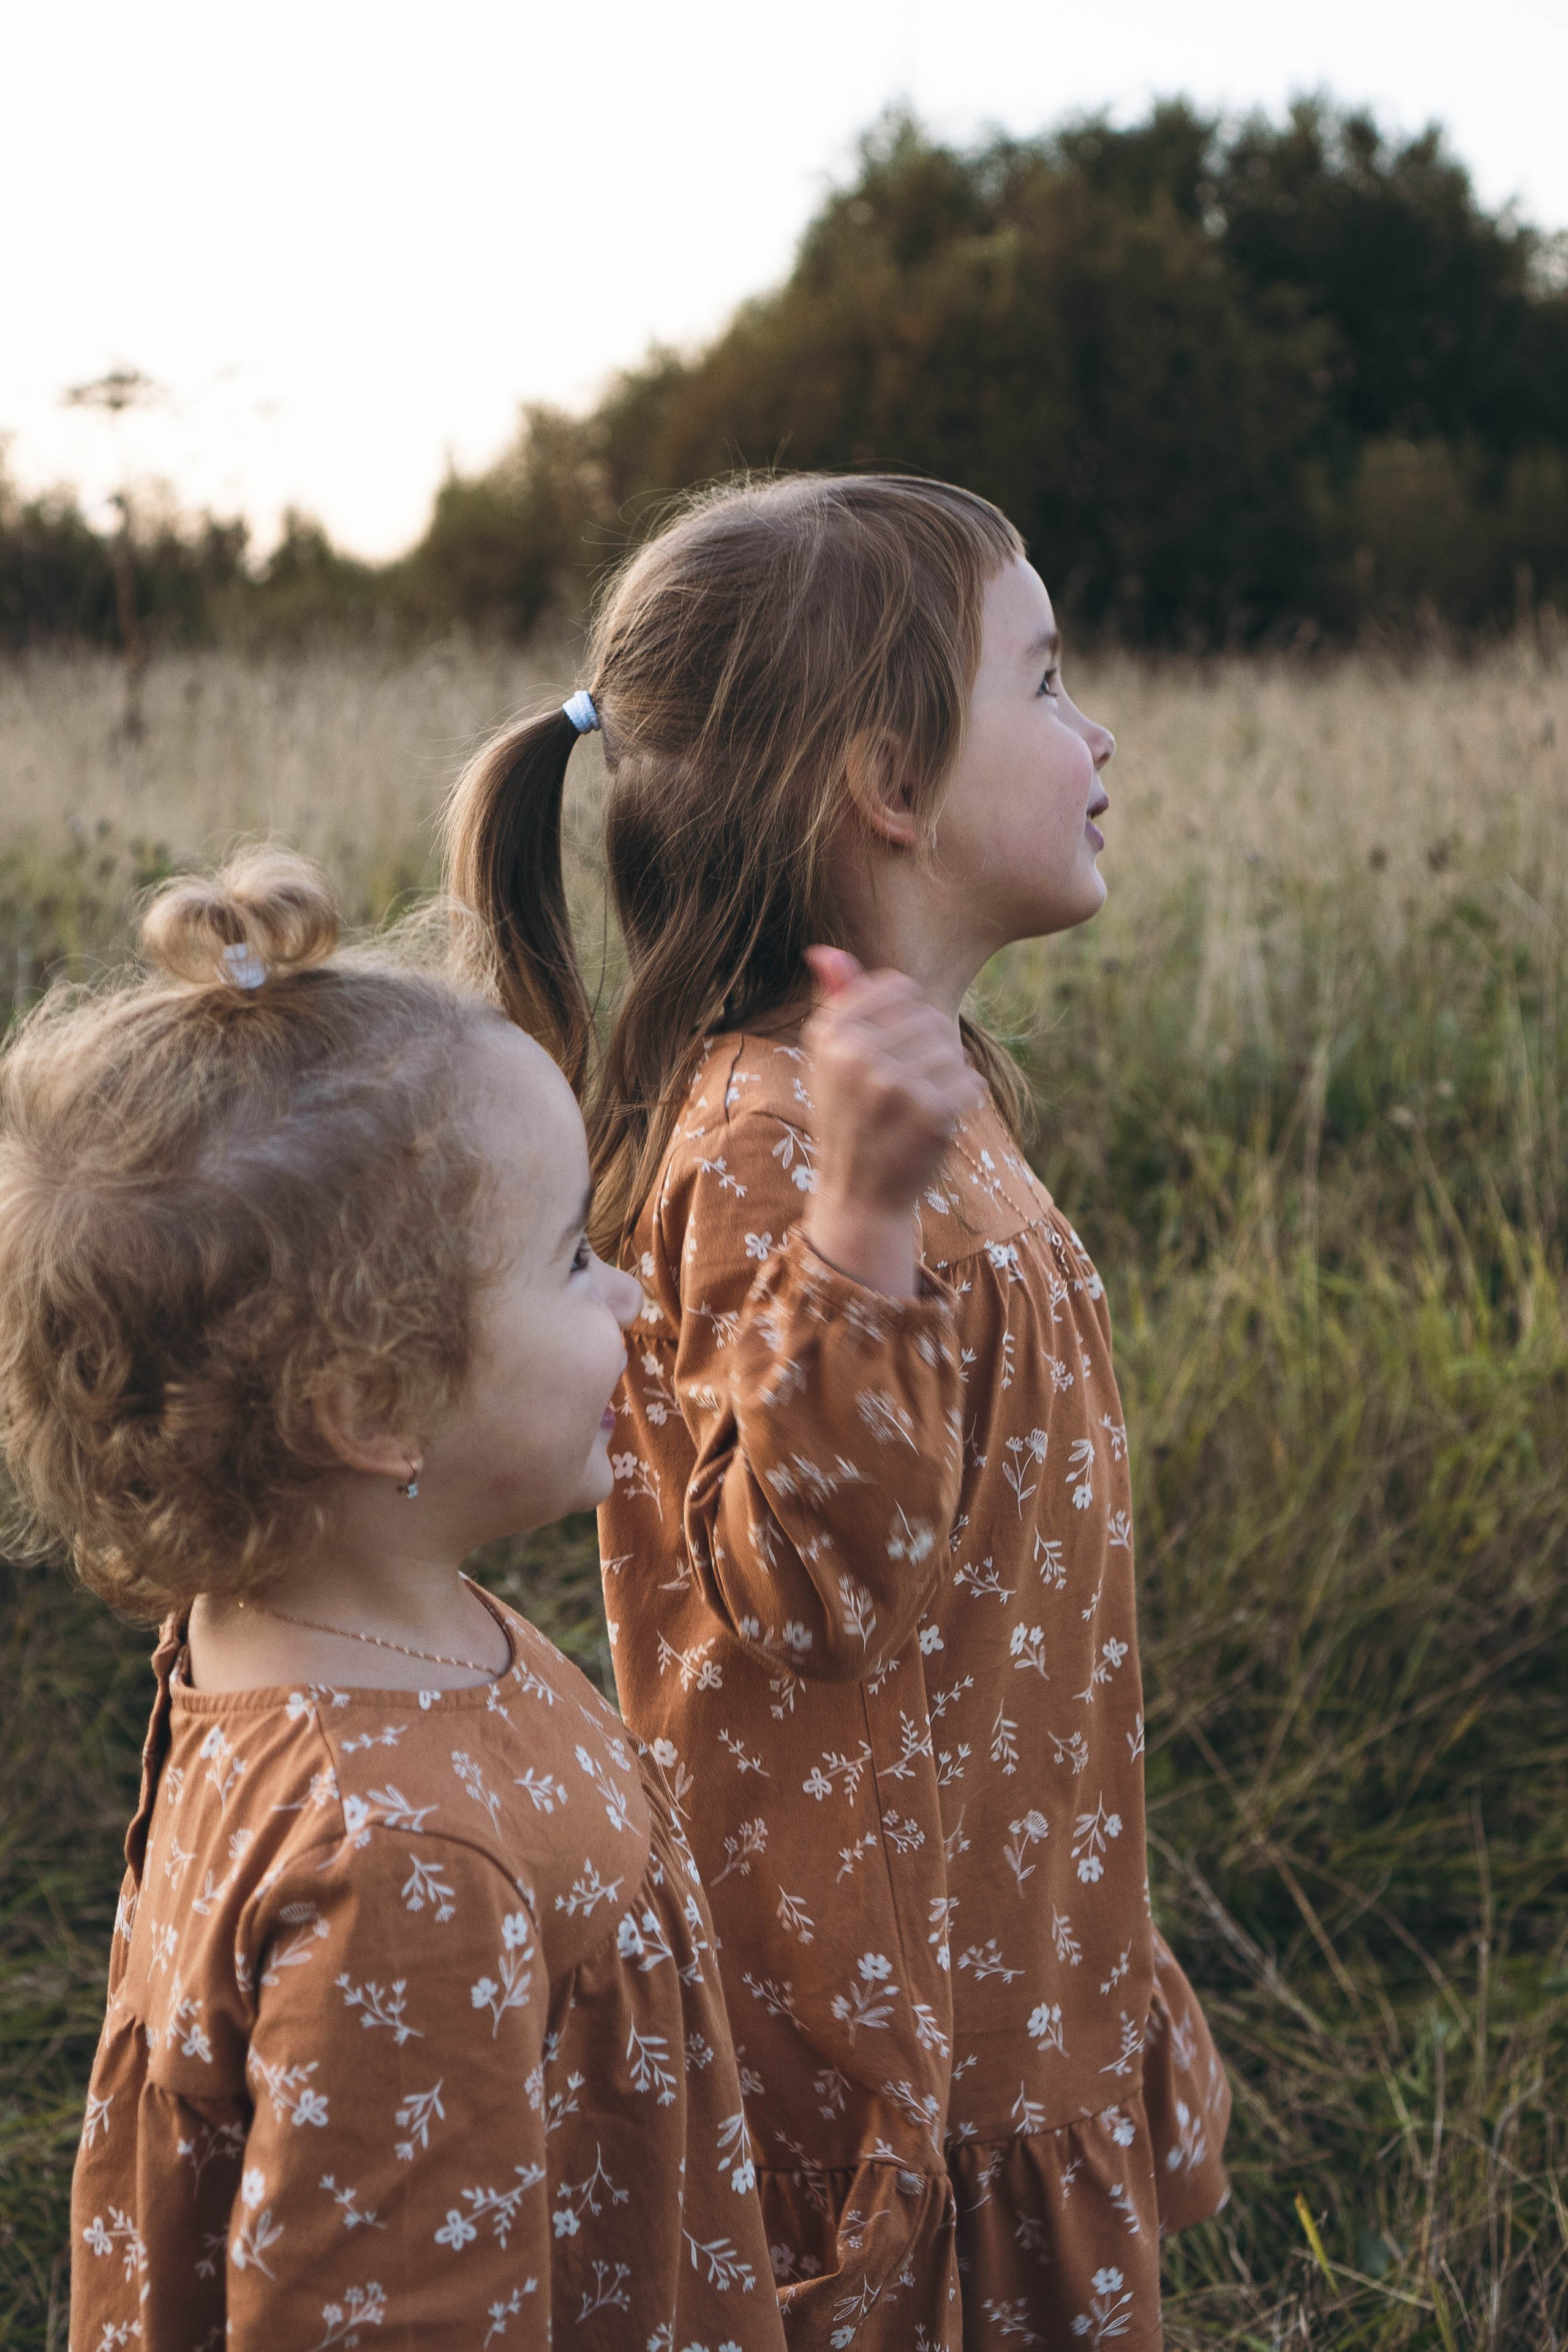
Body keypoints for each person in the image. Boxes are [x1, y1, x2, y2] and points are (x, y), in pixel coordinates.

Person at [445, 473, 1234, 2350]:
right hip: (877, 2010)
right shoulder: (765, 1142)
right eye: (1045, 684)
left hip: (1010, 1922)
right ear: (890, 783)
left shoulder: (912, 1095)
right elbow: (797, 1589)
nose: (1097, 729)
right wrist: (863, 1228)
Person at [0, 849, 788, 2352]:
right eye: (568, 1259)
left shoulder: (319, 1628)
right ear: (375, 1402)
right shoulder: (395, 1868)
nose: (627, 1292)